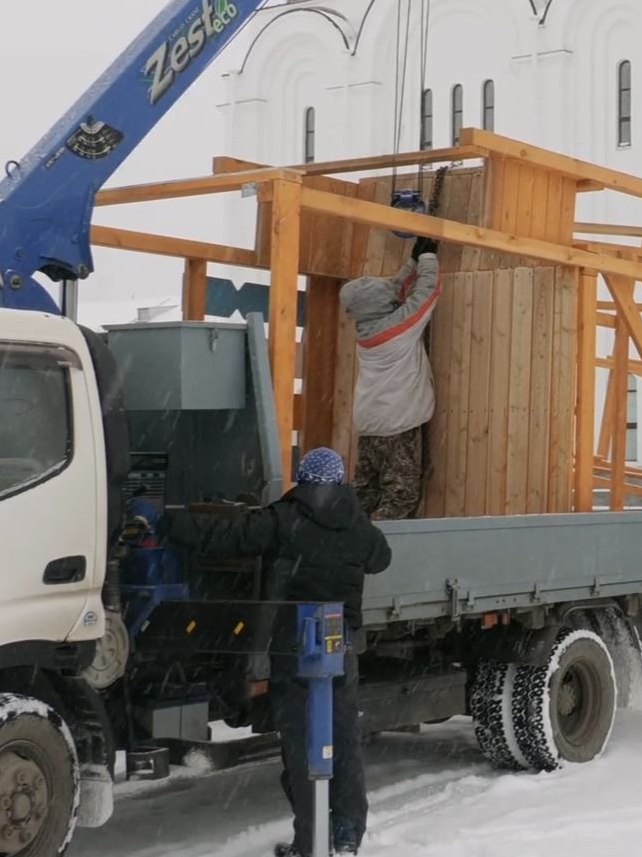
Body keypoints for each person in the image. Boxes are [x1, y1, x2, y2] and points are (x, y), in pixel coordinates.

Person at [150, 448, 391, 857]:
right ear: (339, 482)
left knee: (301, 744)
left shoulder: (283, 520)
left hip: (293, 645)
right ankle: (348, 835)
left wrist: (167, 520)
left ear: (302, 479)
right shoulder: (357, 524)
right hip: (340, 647)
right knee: (343, 740)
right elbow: (380, 559)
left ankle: (309, 841)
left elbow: (226, 536)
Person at [341, 236, 441, 520]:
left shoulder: (370, 325)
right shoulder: (395, 330)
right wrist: (429, 259)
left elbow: (394, 293)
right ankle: (381, 553)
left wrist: (413, 260)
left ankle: (350, 540)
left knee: (366, 492)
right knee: (400, 495)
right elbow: (427, 294)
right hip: (395, 423)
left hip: (371, 422)